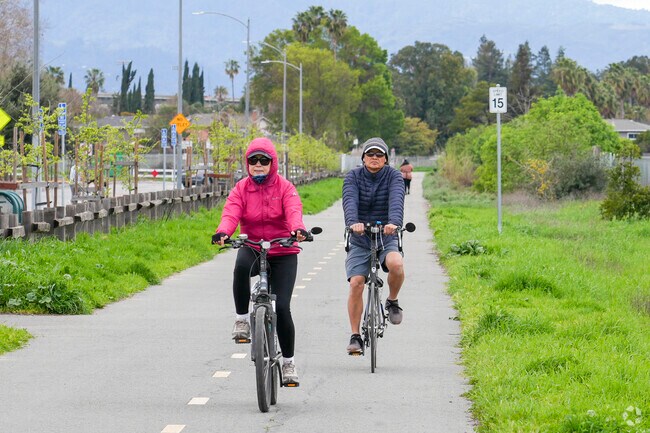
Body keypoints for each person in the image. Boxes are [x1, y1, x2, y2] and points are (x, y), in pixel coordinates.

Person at [212, 137, 308, 386]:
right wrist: (224, 232)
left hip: (283, 250)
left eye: (263, 160)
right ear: (247, 163)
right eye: (253, 160)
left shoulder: (285, 187)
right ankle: (242, 319)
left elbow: (294, 210)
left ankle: (288, 363)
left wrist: (298, 229)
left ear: (272, 163)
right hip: (253, 245)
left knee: (283, 308)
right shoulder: (241, 188)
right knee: (241, 267)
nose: (258, 165)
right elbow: (231, 212)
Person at [342, 137, 406, 355]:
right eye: (371, 154)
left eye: (379, 155)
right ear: (363, 158)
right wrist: (353, 223)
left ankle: (392, 301)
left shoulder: (394, 176)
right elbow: (349, 202)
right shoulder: (353, 177)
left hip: (385, 235)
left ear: (386, 158)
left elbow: (397, 201)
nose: (375, 158)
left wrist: (394, 224)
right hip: (360, 237)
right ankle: (355, 336)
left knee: (396, 263)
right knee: (356, 283)